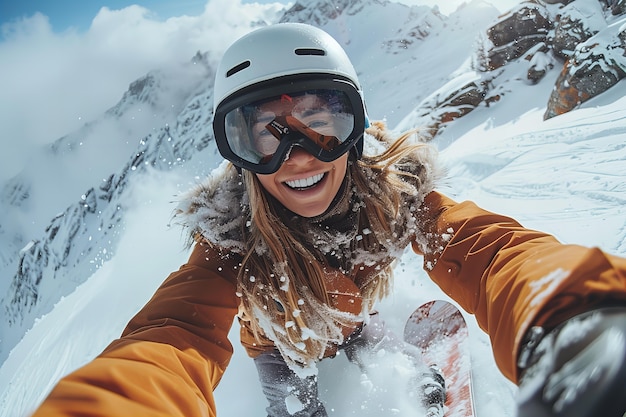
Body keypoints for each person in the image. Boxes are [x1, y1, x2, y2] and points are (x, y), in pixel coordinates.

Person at [31, 23, 626, 417]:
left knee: (369, 342)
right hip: (279, 345)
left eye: (322, 123)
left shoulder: (393, 195)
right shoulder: (232, 242)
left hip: (350, 315)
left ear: (356, 130)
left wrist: (575, 314)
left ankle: (405, 377)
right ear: (237, 157)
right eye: (262, 134)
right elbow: (171, 336)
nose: (297, 156)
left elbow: (489, 251)